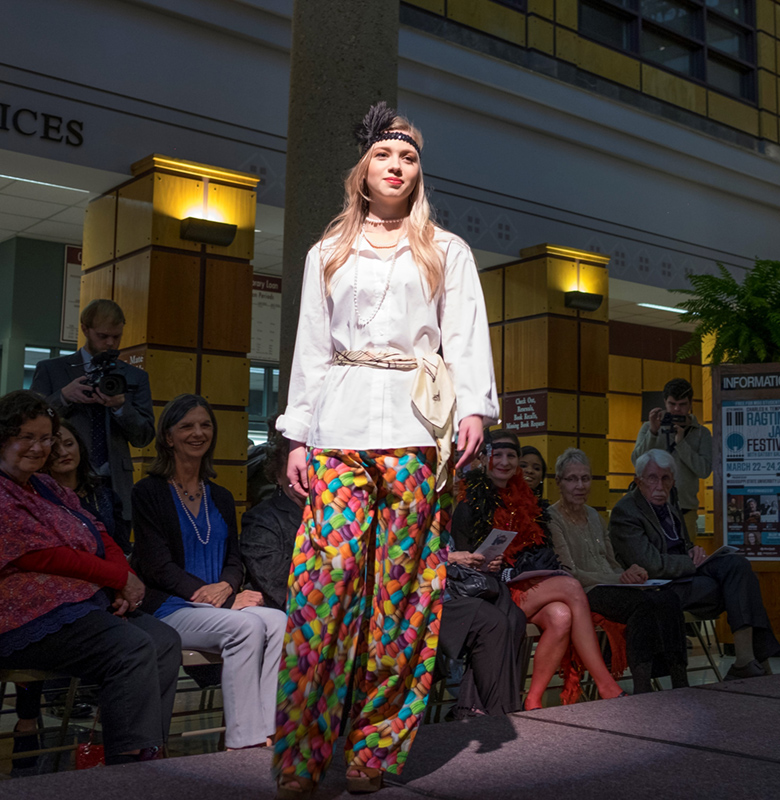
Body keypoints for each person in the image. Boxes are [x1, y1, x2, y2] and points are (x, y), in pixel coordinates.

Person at [272, 102, 498, 798]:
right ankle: (300, 758)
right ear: (362, 171)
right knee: (322, 591)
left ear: (416, 174)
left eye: (408, 160)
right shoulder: (326, 252)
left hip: (415, 431)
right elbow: (311, 345)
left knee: (402, 598)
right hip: (338, 431)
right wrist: (298, 435)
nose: (396, 167)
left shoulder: (446, 249)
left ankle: (374, 755)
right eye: (384, 157)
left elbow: (463, 336)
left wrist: (475, 413)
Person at [0, 390, 180, 766]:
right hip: (24, 615)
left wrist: (124, 579)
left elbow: (96, 532)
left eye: (46, 437)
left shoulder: (46, 485)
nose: (39, 447)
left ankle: (151, 750)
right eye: (27, 437)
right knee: (129, 647)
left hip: (80, 602)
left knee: (163, 639)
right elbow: (42, 554)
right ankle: (126, 764)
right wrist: (117, 576)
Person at [133, 394, 287, 752]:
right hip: (170, 607)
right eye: (186, 426)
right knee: (247, 626)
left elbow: (234, 558)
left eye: (205, 425)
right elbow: (157, 566)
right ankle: (242, 738)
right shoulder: (148, 492)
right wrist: (221, 597)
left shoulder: (219, 495)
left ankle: (270, 729)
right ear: (168, 437)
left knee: (278, 621)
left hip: (217, 604)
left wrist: (228, 589)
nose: (198, 433)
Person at [452, 430, 626, 710]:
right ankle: (606, 685)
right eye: (498, 455)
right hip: (490, 595)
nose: (505, 462)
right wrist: (487, 563)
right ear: (484, 459)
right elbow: (464, 565)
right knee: (571, 587)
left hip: (521, 585)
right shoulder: (468, 504)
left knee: (561, 615)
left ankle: (532, 702)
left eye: (512, 456)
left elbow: (537, 549)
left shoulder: (526, 500)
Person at [609, 450, 780, 680]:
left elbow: (683, 544)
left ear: (673, 481)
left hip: (686, 572)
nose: (659, 485)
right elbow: (650, 563)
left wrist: (694, 551)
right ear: (639, 481)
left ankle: (745, 658)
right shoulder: (626, 511)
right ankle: (753, 663)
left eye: (666, 478)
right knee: (738, 590)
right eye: (652, 478)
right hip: (659, 584)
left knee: (737, 565)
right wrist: (689, 561)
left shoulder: (670, 504)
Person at [547, 448, 689, 693]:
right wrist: (618, 578)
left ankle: (679, 678)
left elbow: (612, 562)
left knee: (667, 598)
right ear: (559, 482)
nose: (580, 485)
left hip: (613, 584)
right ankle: (642, 684)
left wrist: (631, 572)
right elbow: (570, 572)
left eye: (585, 478)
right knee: (642, 606)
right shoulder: (552, 518)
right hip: (584, 591)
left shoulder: (594, 515)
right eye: (572, 479)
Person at [30, 299, 154, 527]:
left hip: (115, 484)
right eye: (103, 336)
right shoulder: (52, 370)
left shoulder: (135, 377)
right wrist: (64, 396)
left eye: (116, 336)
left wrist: (120, 407)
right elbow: (31, 423)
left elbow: (144, 436)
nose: (111, 343)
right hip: (63, 481)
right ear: (85, 329)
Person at [439, 532, 527, 719]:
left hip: (452, 590)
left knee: (515, 617)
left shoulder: (444, 528)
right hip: (426, 601)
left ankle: (473, 706)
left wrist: (481, 563)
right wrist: (451, 558)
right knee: (491, 620)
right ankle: (499, 712)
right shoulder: (406, 516)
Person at [631, 378, 712, 539]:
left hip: (685, 510)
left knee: (687, 557)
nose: (676, 409)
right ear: (664, 402)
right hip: (650, 509)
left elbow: (704, 470)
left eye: (682, 404)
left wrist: (681, 444)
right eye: (672, 404)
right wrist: (653, 433)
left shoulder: (701, 433)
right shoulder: (649, 427)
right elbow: (637, 461)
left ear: (690, 404)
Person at [43, 419, 132, 554]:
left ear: (79, 446)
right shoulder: (40, 498)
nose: (63, 452)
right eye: (54, 448)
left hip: (112, 566)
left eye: (69, 444)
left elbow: (123, 547)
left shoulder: (106, 496)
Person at [240, 434, 305, 612]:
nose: (306, 476)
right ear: (278, 475)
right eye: (297, 470)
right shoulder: (260, 519)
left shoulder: (330, 515)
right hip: (279, 614)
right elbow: (276, 582)